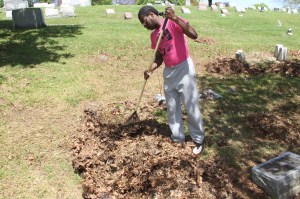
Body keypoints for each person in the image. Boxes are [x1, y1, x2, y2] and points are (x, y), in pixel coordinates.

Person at [138, 6, 205, 155]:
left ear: (151, 14)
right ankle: (177, 138)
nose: (144, 26)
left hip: (184, 68)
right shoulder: (154, 36)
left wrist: (175, 18)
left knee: (190, 105)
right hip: (169, 72)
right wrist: (151, 69)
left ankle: (198, 139)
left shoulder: (172, 22)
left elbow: (194, 35)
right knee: (172, 107)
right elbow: (159, 57)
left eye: (144, 21)